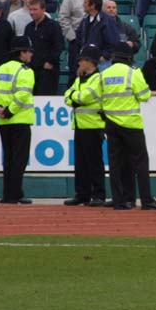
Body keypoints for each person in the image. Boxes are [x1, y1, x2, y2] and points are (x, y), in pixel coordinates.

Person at [99, 42, 156, 210]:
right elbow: (143, 95)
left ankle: (119, 200)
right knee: (140, 162)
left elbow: (99, 96)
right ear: (129, 58)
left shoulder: (104, 74)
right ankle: (146, 200)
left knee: (115, 163)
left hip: (111, 123)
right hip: (131, 124)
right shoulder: (133, 73)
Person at [0, 36, 35, 204]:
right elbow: (23, 94)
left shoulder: (0, 69)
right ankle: (16, 194)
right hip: (19, 120)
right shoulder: (25, 71)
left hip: (3, 122)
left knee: (7, 159)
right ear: (21, 52)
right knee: (19, 159)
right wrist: (9, 111)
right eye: (29, 51)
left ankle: (8, 194)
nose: (30, 55)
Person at [63, 44, 106, 206]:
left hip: (93, 126)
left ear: (90, 61)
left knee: (94, 163)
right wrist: (75, 97)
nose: (79, 62)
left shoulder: (98, 78)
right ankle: (82, 194)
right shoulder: (79, 78)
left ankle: (98, 195)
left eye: (82, 59)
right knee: (80, 164)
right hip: (80, 126)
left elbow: (86, 97)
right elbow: (67, 96)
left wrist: (74, 98)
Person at [58, 0, 110, 74]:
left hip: (96, 42)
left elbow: (109, 17)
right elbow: (63, 17)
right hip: (77, 41)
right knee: (75, 72)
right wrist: (72, 37)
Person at [24, 0, 63, 95]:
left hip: (47, 71)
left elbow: (59, 46)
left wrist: (49, 62)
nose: (32, 12)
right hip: (31, 70)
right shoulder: (28, 27)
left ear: (43, 9)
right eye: (30, 9)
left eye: (35, 9)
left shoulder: (53, 26)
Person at [75, 0, 119, 69]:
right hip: (87, 61)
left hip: (102, 64)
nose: (83, 5)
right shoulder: (85, 21)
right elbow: (79, 38)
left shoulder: (107, 21)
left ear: (93, 5)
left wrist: (104, 56)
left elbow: (113, 41)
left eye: (85, 2)